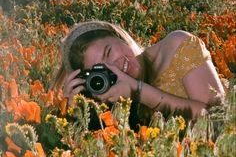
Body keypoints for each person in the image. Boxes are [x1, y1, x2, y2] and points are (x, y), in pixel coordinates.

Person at [53, 20, 225, 127]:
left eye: (109, 51)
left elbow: (218, 117)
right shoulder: (112, 98)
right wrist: (76, 113)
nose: (115, 66)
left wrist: (139, 91)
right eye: (102, 69)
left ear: (119, 36)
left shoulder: (177, 45)